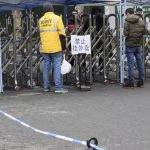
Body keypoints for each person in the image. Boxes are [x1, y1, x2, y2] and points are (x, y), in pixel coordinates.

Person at [39, 3, 68, 93]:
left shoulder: (41, 20)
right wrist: (64, 47)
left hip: (45, 48)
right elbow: (62, 35)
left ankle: (46, 87)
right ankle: (58, 87)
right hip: (56, 47)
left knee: (46, 67)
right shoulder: (57, 18)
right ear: (52, 9)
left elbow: (40, 34)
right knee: (56, 67)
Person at [123, 8, 149, 87]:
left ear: (128, 13)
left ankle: (131, 81)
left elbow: (125, 33)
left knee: (130, 63)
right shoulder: (141, 21)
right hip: (138, 44)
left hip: (130, 44)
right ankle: (141, 80)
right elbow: (145, 32)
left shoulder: (127, 21)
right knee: (140, 63)